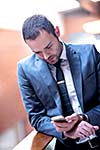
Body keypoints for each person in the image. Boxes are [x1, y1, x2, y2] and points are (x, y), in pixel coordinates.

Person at [17, 14, 100, 150]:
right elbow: (36, 117)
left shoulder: (89, 53)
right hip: (66, 146)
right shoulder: (25, 70)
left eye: (48, 47)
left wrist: (84, 118)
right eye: (37, 52)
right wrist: (66, 131)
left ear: (57, 31)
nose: (45, 56)